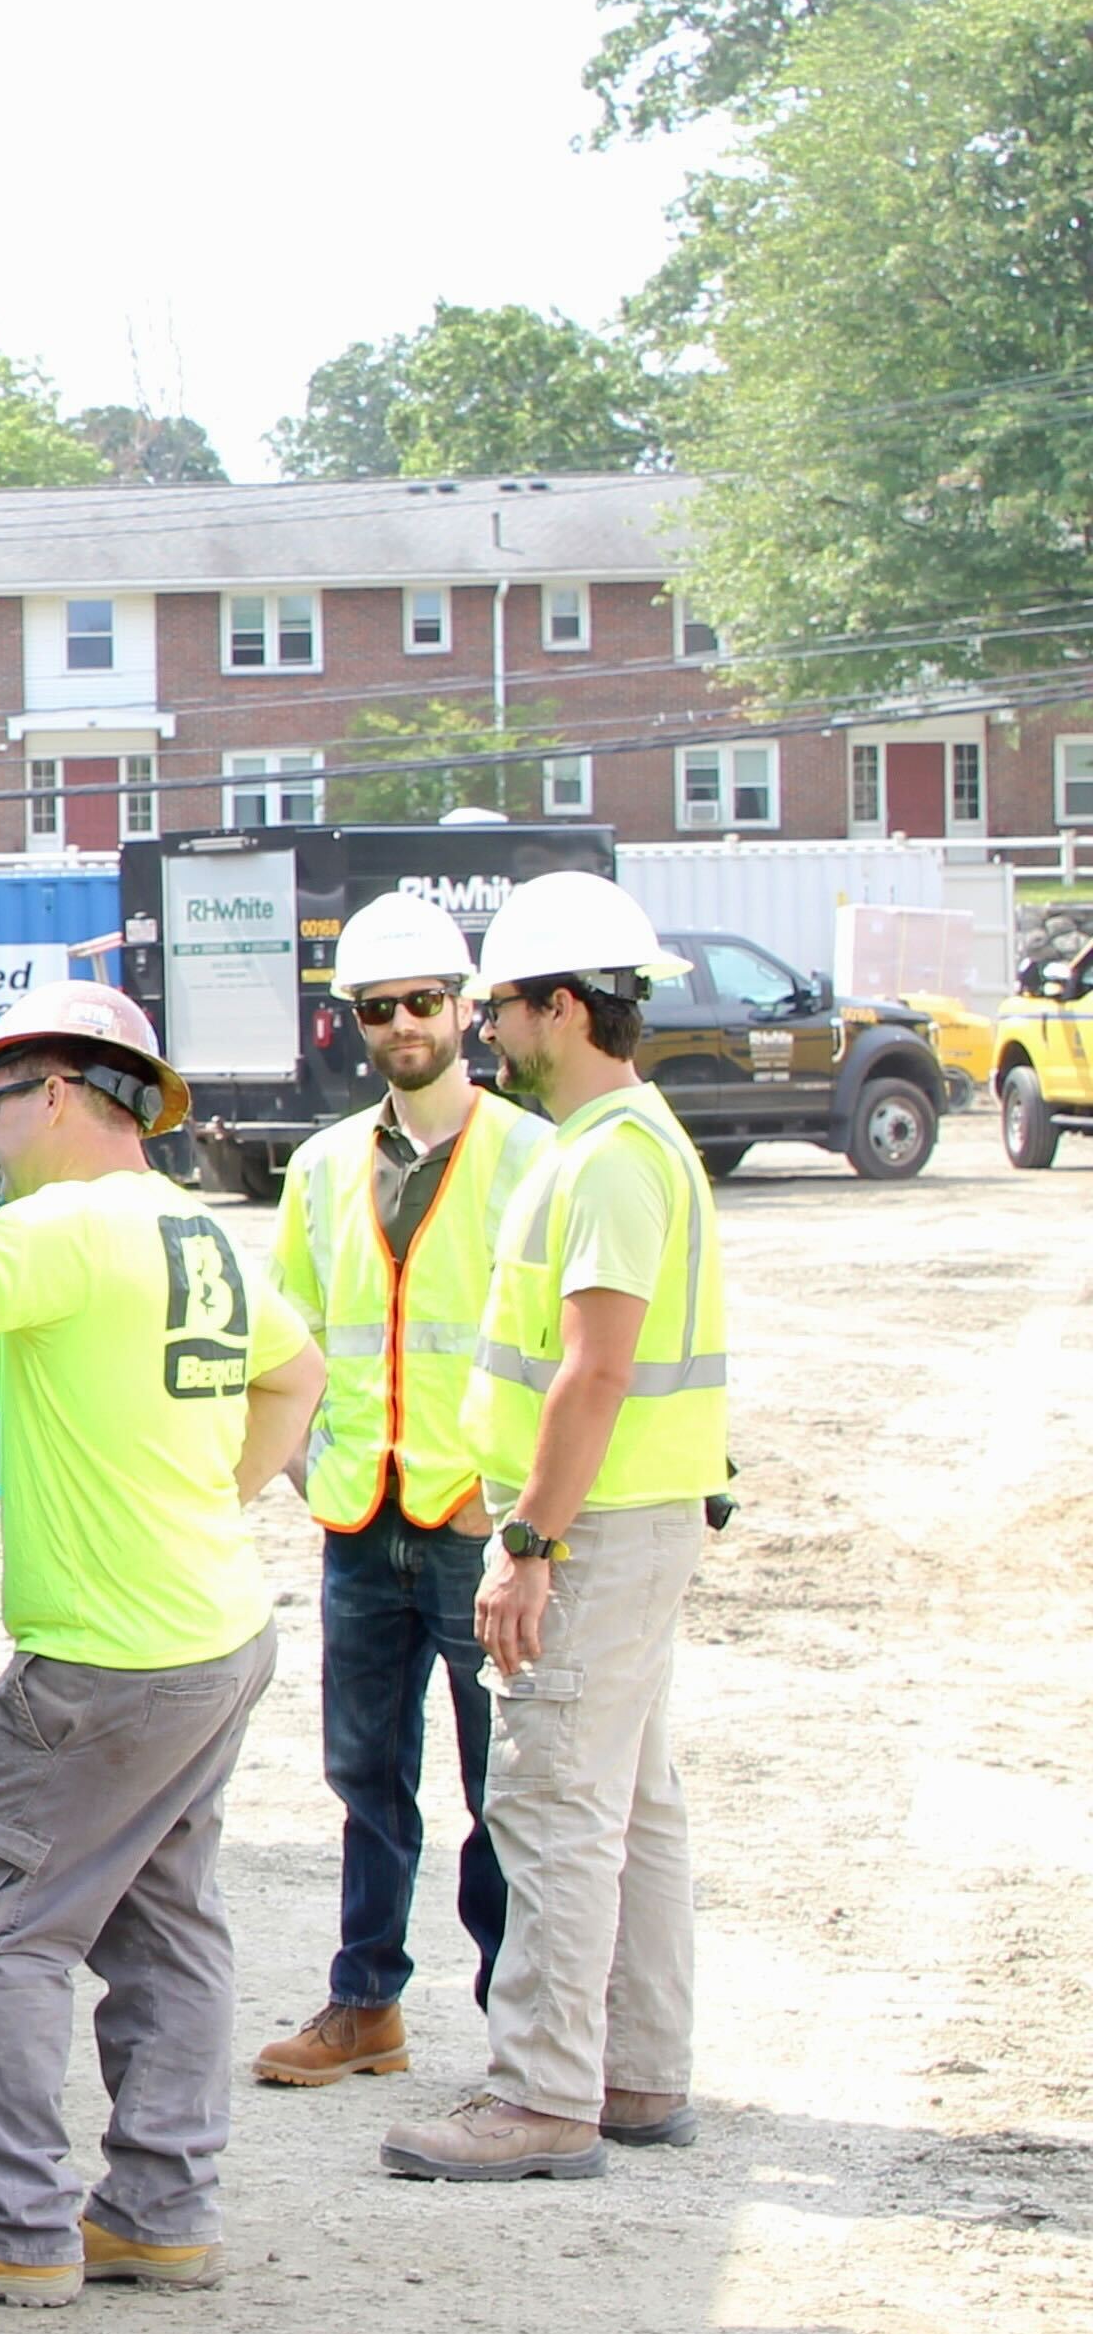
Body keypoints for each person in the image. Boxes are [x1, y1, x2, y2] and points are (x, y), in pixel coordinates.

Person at [0, 981, 320, 2304]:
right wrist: (207, 1499)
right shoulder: (192, 1229)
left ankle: (9, 2226)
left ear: (57, 1091)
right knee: (163, 1925)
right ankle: (160, 2213)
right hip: (213, 1628)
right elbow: (297, 1372)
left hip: (106, 1658)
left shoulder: (65, 1229)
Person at [382, 870, 728, 2182]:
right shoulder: (627, 1147)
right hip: (631, 1522)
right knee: (630, 1804)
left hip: (588, 1533)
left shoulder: (610, 1162)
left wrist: (527, 1541)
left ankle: (541, 2097)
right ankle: (633, 2077)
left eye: (505, 1006)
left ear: (567, 1008)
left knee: (552, 1806)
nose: (488, 1030)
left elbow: (596, 1370)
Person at [255, 892, 546, 2092]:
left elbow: (554, 1348)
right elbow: (284, 1335)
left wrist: (520, 1509)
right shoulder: (323, 1167)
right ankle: (364, 1999)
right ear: (356, 1022)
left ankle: (516, 2024)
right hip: (360, 1525)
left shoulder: (532, 1157)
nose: (405, 1024)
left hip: (475, 1526)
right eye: (381, 1009)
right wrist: (299, 1465)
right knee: (364, 1778)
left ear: (468, 1011)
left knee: (502, 1787)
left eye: (425, 1002)